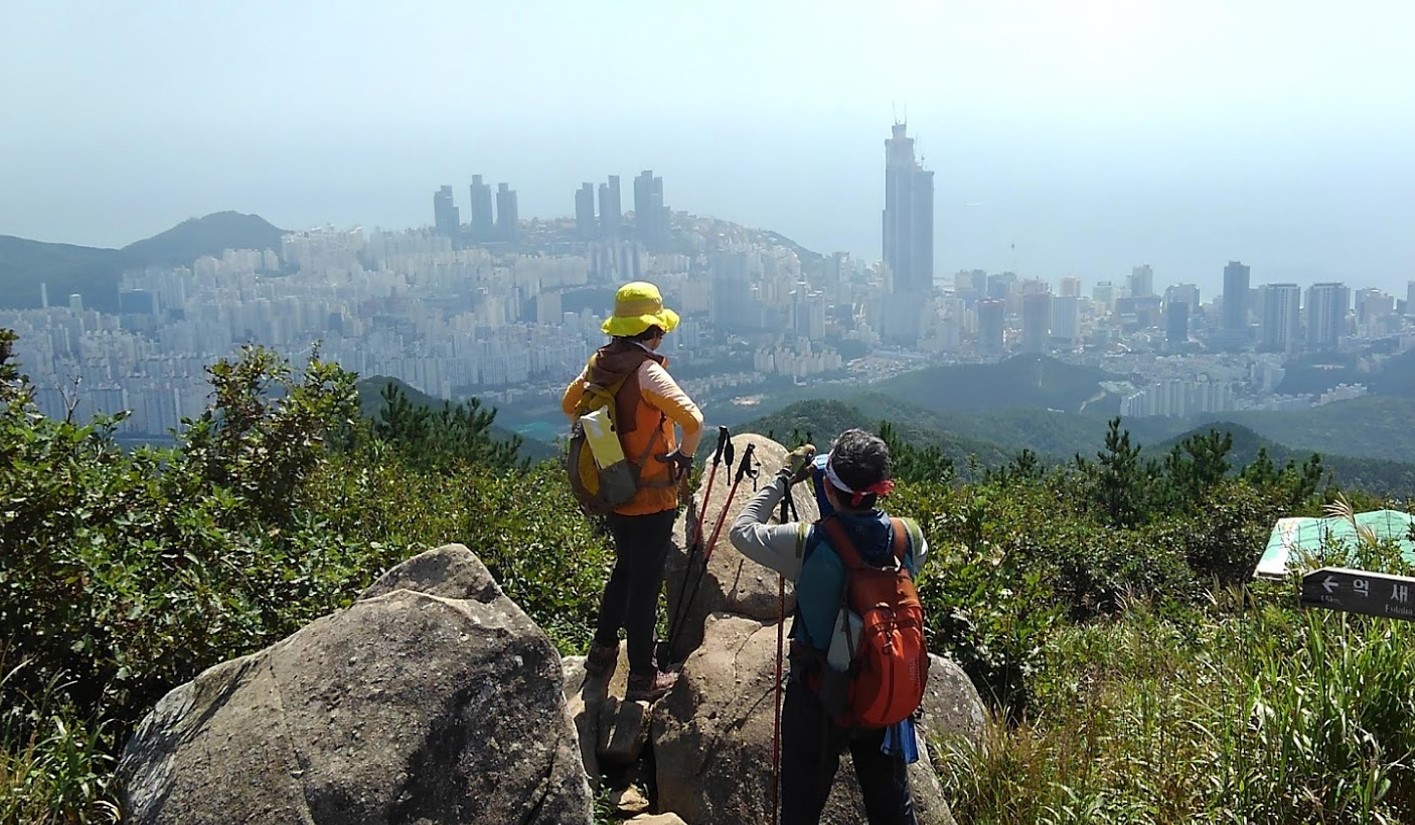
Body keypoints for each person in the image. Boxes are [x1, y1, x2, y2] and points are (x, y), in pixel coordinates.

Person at [729, 429, 928, 825]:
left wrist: (783, 477)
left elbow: (743, 530)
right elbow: (866, 539)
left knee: (802, 810)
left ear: (830, 488)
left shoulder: (807, 544)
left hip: (819, 696)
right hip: (881, 685)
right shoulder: (909, 539)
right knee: (892, 810)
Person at [562, 281, 703, 701]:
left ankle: (602, 651)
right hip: (652, 497)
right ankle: (643, 675)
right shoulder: (647, 371)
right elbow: (693, 420)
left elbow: (569, 406)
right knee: (644, 584)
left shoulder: (600, 364)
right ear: (653, 331)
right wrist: (684, 457)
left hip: (613, 486)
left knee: (624, 569)